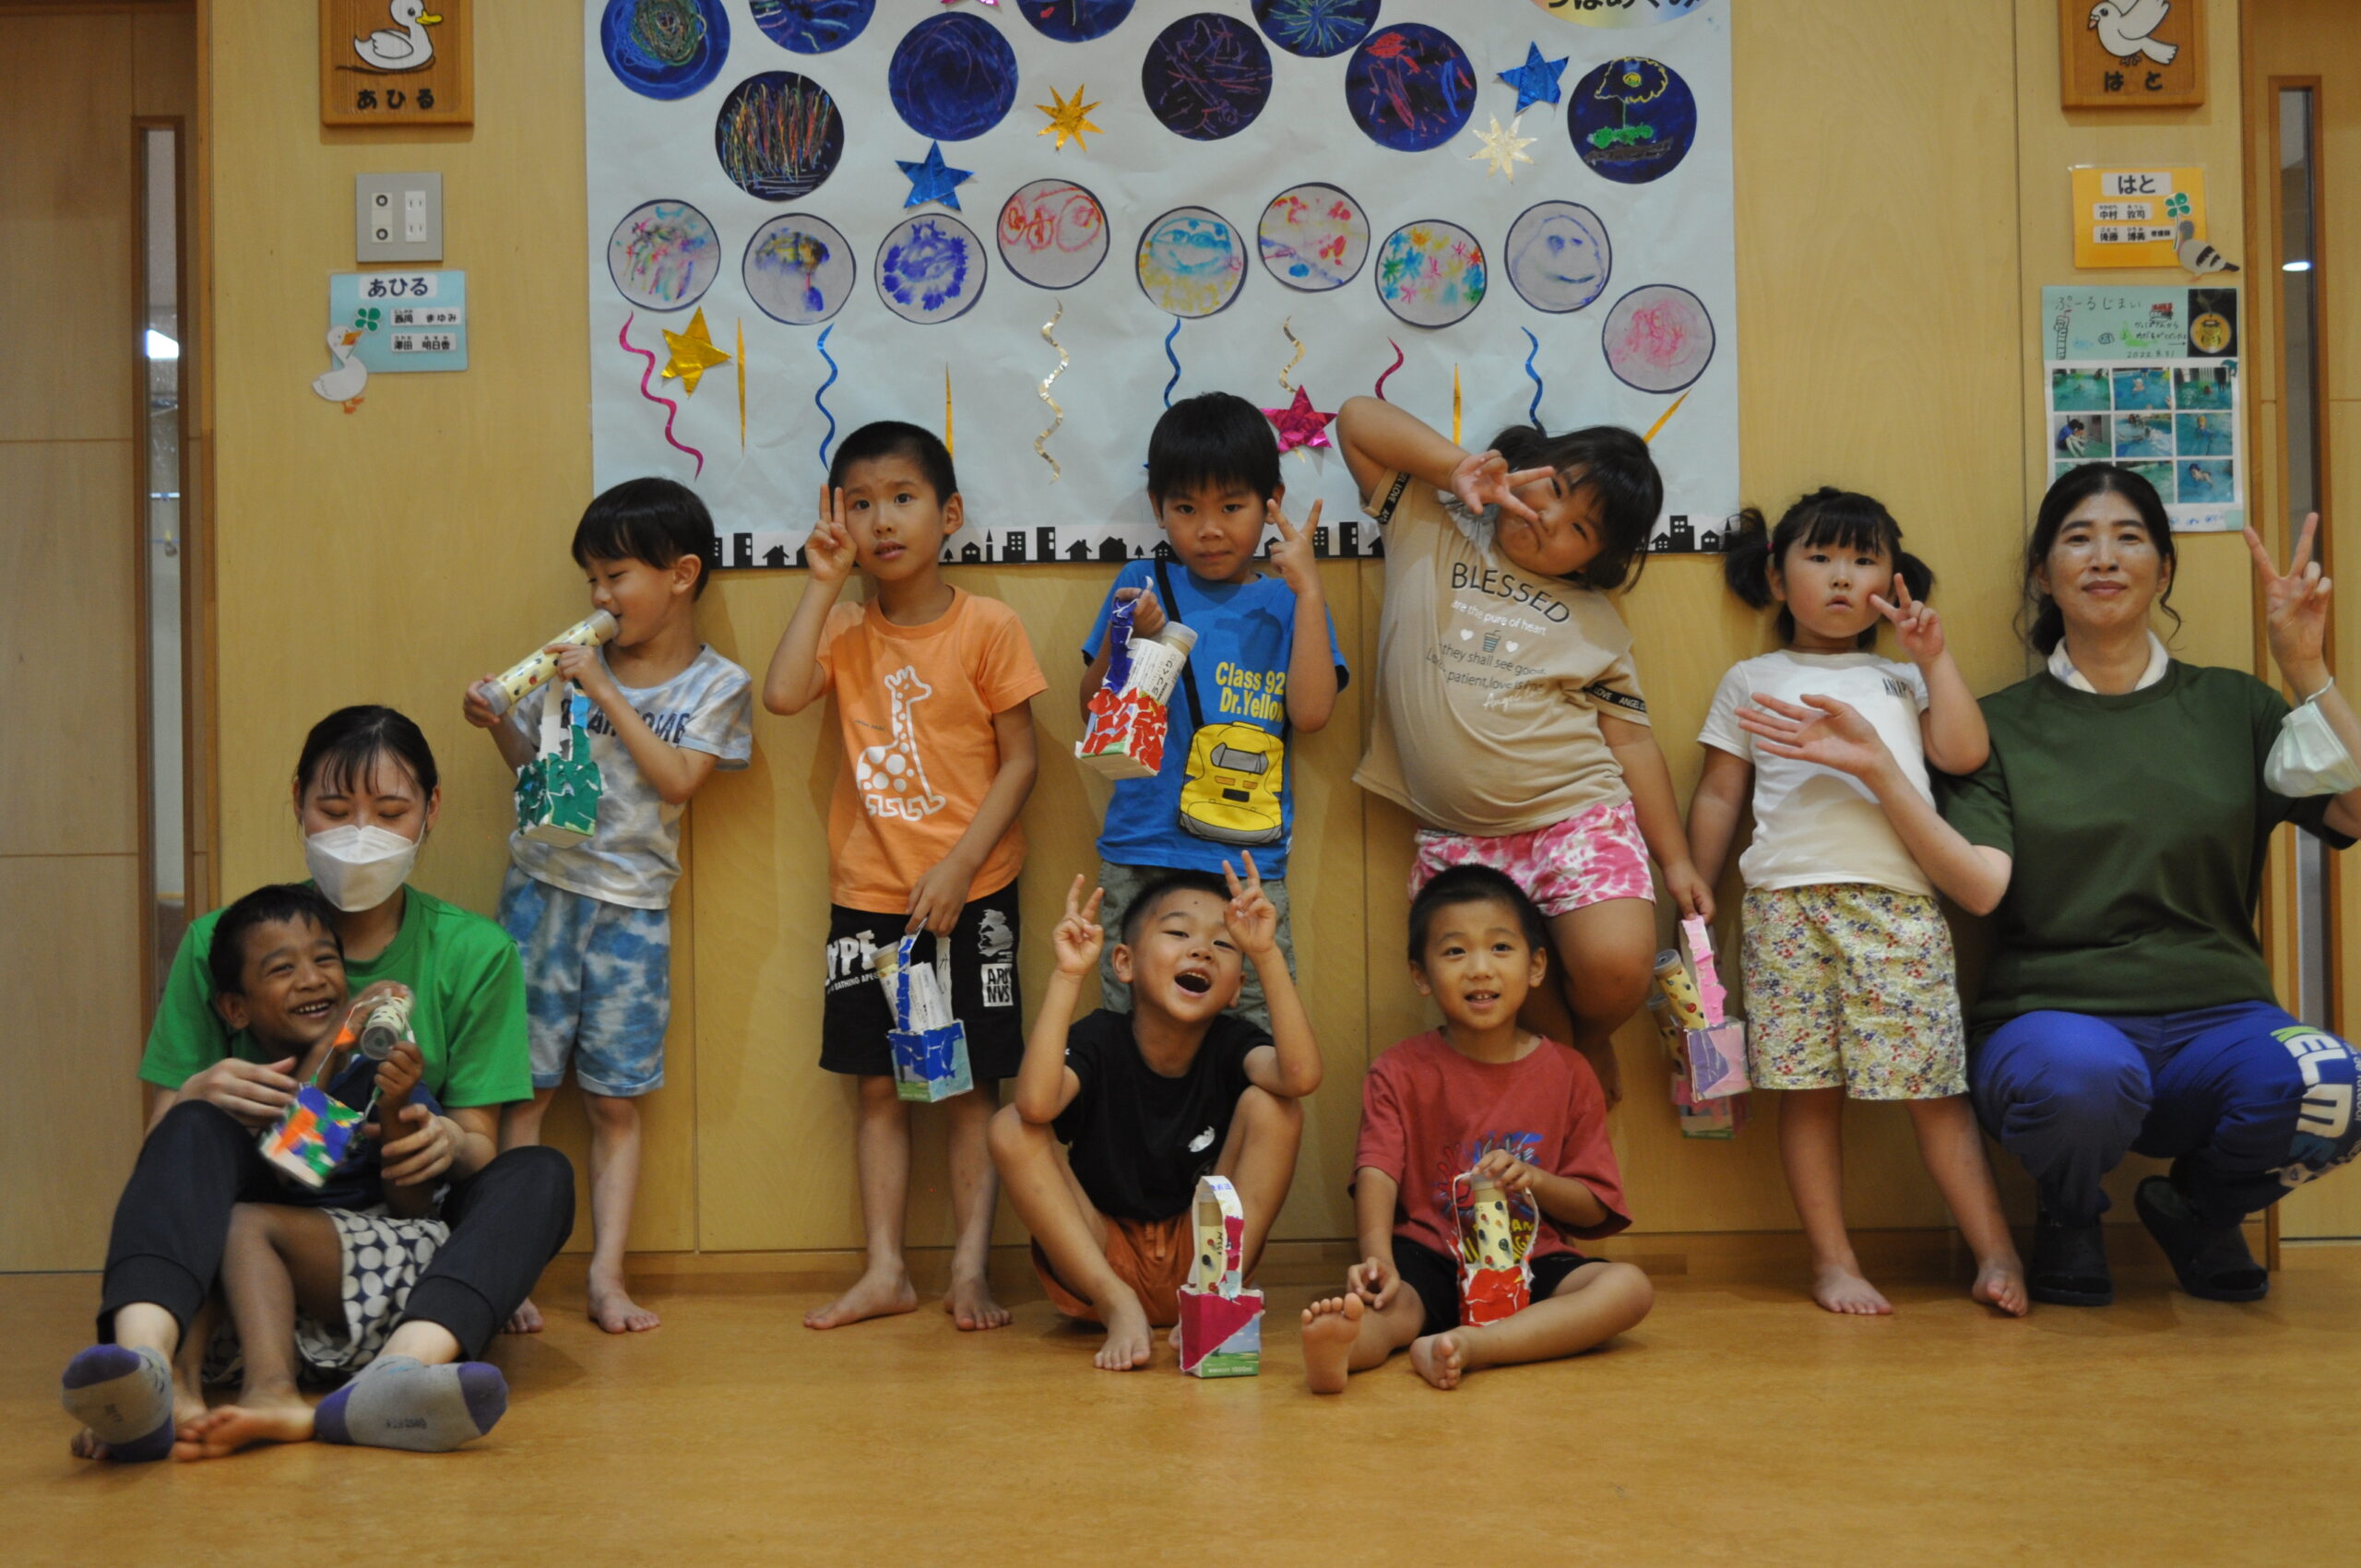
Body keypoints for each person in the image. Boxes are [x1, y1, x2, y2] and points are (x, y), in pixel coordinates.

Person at [1737, 467, 2361, 1305]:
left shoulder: (2236, 707)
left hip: (2222, 1020)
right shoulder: (1996, 725)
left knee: (2340, 1084)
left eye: (2129, 537)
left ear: (2164, 568)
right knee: (2078, 1076)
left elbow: (2354, 812)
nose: (2104, 557)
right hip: (2057, 1022)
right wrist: (1881, 770)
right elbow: (1978, 887)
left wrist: (2307, 669)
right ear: (2042, 571)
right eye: (2077, 539)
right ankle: (2068, 1213)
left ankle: (2204, 1210)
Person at [64, 707, 572, 1461]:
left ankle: (400, 1373)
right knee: (195, 1126)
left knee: (540, 1174)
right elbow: (177, 1154)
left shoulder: (475, 952)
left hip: (398, 1262)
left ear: (430, 810)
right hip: (244, 1248)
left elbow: (470, 1157)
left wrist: (436, 1137)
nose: (360, 833)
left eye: (390, 812)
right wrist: (203, 1090)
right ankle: (148, 1370)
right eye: (334, 810)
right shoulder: (219, 941)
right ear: (298, 800)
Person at [1685, 490, 2025, 1317]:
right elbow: (1721, 794)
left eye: (1864, 560)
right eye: (1821, 557)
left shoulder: (1900, 677)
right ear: (1776, 578)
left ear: (1892, 581)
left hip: (1898, 908)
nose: (1842, 577)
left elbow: (1963, 754)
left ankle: (1996, 1251)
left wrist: (1935, 659)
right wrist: (1695, 882)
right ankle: (1833, 1263)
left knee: (1934, 1089)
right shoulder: (1751, 678)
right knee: (1806, 1092)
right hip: (1783, 910)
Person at [1335, 395, 1710, 1100]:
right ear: (1527, 466)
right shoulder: (1431, 523)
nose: (1548, 519)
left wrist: (1678, 859)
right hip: (1462, 840)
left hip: (1576, 815)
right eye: (1553, 489)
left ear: (1598, 558)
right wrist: (1457, 469)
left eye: (1580, 528)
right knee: (1507, 996)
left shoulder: (1596, 620)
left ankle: (1585, 1044)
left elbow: (1632, 744)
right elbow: (1356, 420)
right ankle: (1572, 1061)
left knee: (1618, 968)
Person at [763, 421, 1044, 1332]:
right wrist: (821, 582)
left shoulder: (989, 626)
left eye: (902, 498)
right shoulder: (844, 627)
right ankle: (886, 1268)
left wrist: (960, 866)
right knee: (877, 1085)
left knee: (967, 1085)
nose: (881, 519)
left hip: (973, 893)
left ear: (948, 513)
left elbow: (1022, 762)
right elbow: (781, 695)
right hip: (868, 896)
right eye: (859, 503)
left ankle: (969, 1268)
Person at [465, 477, 753, 1336]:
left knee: (615, 1101)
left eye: (616, 576)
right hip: (539, 894)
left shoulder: (717, 684)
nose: (599, 597)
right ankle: (507, 1271)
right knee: (524, 1093)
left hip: (631, 913)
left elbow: (678, 781)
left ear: (682, 575)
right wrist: (498, 722)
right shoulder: (568, 666)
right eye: (591, 578)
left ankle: (607, 1278)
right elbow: (537, 776)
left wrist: (604, 690)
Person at [1300, 867, 1650, 1393]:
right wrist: (1377, 1260)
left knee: (1629, 1287)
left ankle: (1476, 1346)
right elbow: (1377, 1172)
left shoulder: (1571, 1073)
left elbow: (1595, 1207)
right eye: (1455, 951)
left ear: (1535, 966)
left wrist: (1535, 1180)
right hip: (1429, 1258)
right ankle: (1342, 1347)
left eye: (1501, 948)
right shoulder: (1398, 1070)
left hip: (1534, 1260)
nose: (1480, 969)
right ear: (1421, 975)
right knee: (1390, 1308)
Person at [1078, 392, 1346, 1030]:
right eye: (1186, 509)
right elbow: (1091, 709)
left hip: (1246, 865)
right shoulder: (1142, 582)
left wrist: (1309, 592)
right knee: (1131, 1027)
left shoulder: (1289, 601)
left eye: (1231, 506)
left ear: (1270, 502)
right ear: (1158, 508)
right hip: (1142, 852)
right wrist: (1126, 635)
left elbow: (1312, 714)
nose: (1209, 529)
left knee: (1253, 1031)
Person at [990, 864, 1320, 1372]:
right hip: (1101, 1257)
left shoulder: (1233, 1043)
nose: (1202, 950)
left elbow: (1299, 1077)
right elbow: (1035, 1105)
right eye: (1178, 933)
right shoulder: (1101, 1038)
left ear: (1236, 988)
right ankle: (1117, 1305)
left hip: (1204, 1253)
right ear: (1124, 962)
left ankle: (1213, 1298)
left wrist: (1266, 954)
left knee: (1276, 1106)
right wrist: (1068, 975)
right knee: (1011, 1125)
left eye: (1223, 944)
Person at [165, 885, 450, 1459]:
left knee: (243, 1225)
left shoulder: (373, 1074)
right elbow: (290, 1170)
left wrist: (396, 1109)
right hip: (259, 1283)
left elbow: (412, 1207)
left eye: (325, 960)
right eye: (282, 969)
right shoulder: (244, 1086)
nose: (312, 979)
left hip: (362, 1270)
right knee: (199, 1229)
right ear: (236, 1009)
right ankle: (172, 1391)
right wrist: (330, 1046)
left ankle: (270, 1389)